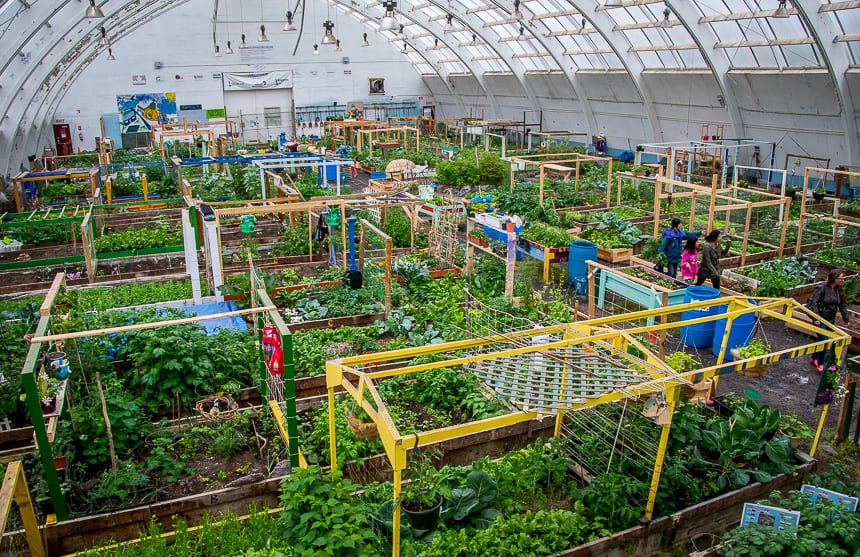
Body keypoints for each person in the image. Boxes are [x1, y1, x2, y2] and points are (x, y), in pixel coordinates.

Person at [806, 270, 851, 373]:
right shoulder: (822, 288)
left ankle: (814, 358)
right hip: (820, 318)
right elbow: (814, 303)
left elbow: (842, 305)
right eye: (841, 278)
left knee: (822, 340)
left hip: (830, 319)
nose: (842, 280)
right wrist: (815, 318)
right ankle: (821, 363)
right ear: (834, 278)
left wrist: (846, 319)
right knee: (825, 340)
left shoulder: (838, 291)